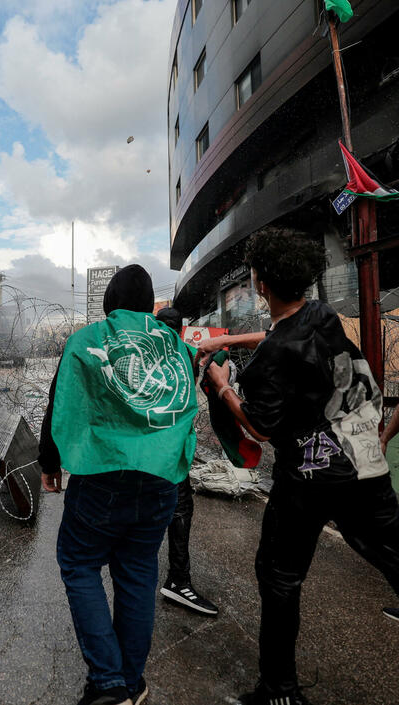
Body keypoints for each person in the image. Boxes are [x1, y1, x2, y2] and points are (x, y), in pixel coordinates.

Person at [197, 228, 399, 705]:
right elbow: (280, 335)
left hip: (308, 479)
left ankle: (279, 691)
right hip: (365, 466)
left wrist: (224, 384)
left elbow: (261, 429)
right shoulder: (323, 315)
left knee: (280, 576)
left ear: (260, 283)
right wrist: (234, 338)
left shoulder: (272, 360)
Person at [39, 265, 198, 705]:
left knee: (78, 562)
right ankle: (131, 683)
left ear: (109, 301)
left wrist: (50, 463)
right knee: (139, 573)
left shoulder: (87, 340)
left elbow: (61, 403)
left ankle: (108, 684)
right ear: (149, 305)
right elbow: (185, 413)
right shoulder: (176, 348)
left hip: (102, 477)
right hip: (162, 481)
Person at [154, 307, 219, 617]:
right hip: (173, 450)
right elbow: (213, 365)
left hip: (145, 449)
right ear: (180, 329)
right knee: (180, 508)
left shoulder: (145, 351)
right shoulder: (185, 352)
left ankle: (138, 572)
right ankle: (178, 580)